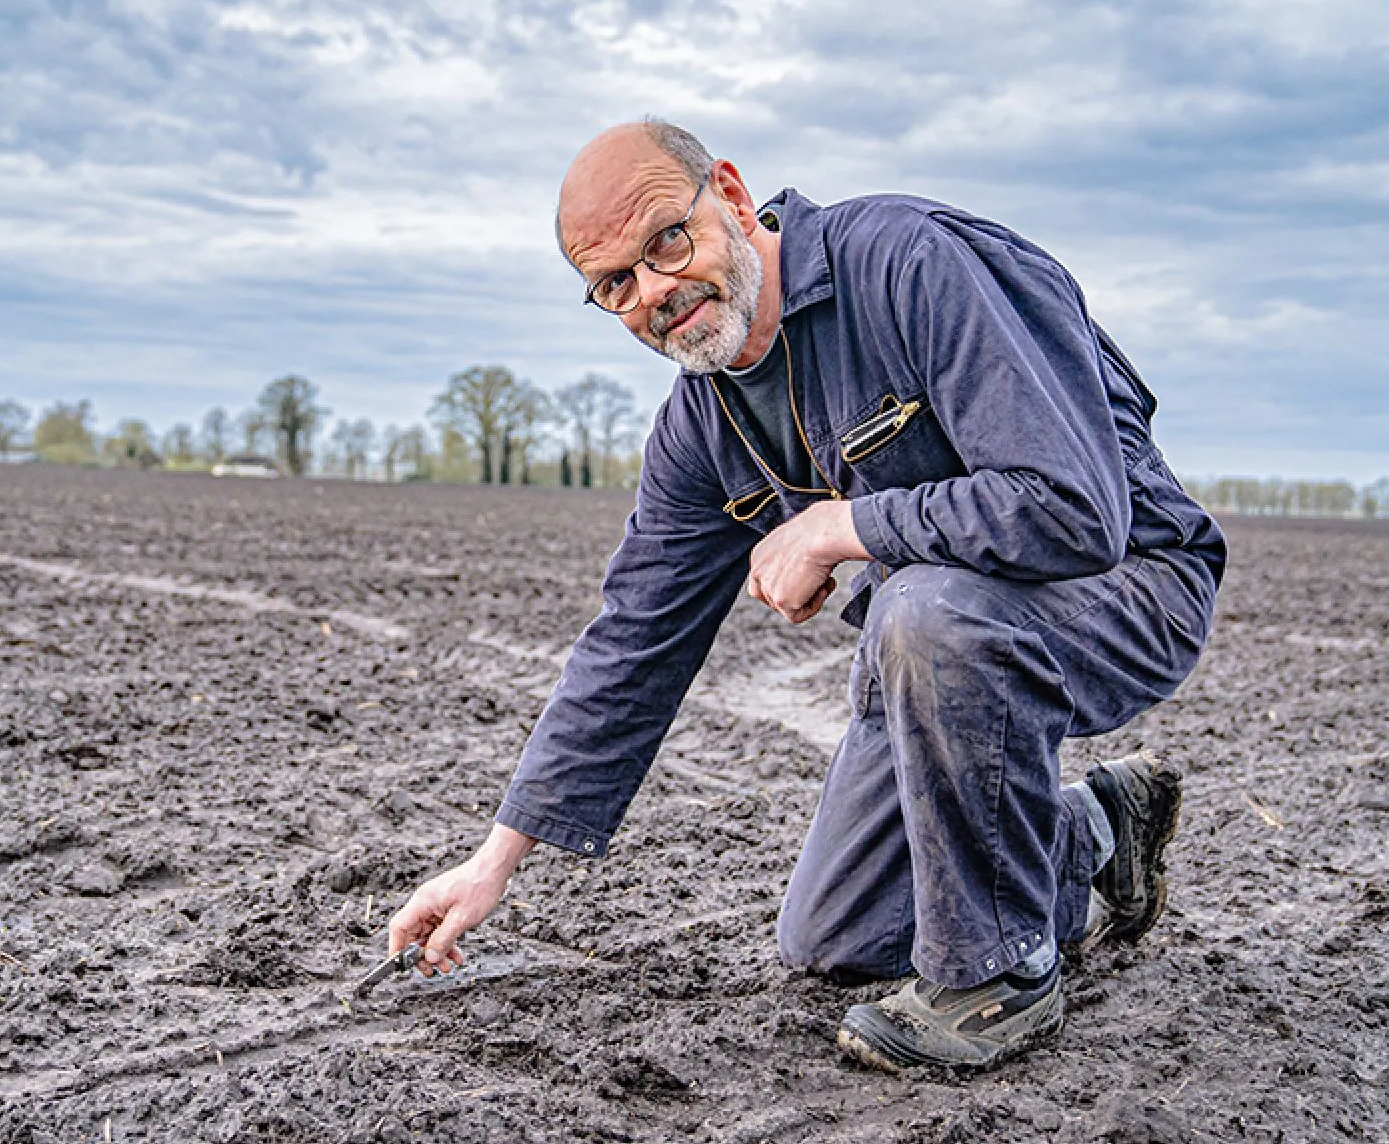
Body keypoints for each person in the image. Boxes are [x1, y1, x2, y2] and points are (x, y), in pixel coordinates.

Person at [387, 119, 1226, 1073]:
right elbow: (633, 645)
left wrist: (837, 525)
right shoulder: (701, 426)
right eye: (615, 283)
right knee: (837, 934)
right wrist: (493, 863)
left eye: (666, 239)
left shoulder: (910, 265)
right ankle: (1094, 831)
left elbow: (1073, 508)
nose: (656, 291)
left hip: (1125, 586)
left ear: (734, 199)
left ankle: (998, 981)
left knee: (922, 609)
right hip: (941, 645)